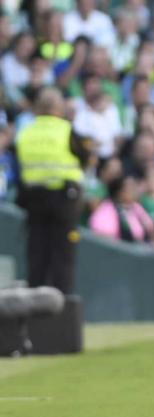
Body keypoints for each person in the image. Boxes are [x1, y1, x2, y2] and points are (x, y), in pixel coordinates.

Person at [15, 87, 91, 294]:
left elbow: (18, 165)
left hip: (34, 199)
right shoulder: (66, 130)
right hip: (64, 200)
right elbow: (86, 158)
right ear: (59, 107)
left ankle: (34, 309)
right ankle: (61, 309)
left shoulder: (25, 132)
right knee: (63, 256)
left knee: (37, 254)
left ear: (37, 108)